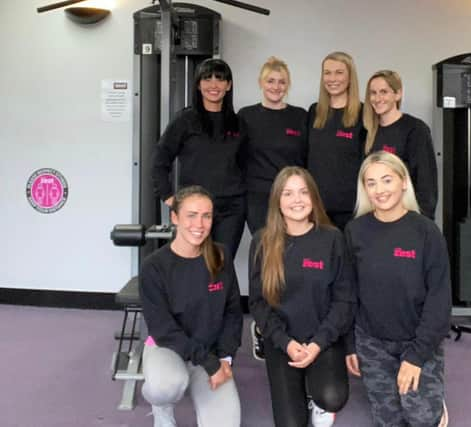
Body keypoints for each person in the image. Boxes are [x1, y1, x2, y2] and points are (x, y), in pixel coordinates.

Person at [344, 151, 451, 427]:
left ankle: (436, 403)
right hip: (373, 343)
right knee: (390, 421)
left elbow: (439, 302)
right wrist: (349, 346)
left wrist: (416, 357)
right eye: (371, 183)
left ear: (403, 182)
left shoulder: (426, 232)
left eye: (387, 180)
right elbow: (347, 295)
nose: (380, 190)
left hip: (416, 340)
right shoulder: (355, 232)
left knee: (421, 419)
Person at [249, 166, 354, 427]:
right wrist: (285, 342)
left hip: (323, 337)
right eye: (288, 193)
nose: (297, 200)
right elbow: (258, 302)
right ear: (277, 201)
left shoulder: (332, 238)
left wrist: (318, 343)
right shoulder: (262, 241)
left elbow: (344, 300)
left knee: (331, 396)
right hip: (282, 339)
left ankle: (318, 400)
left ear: (314, 197)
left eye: (303, 192)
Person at [140, 185, 243, 427]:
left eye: (206, 216)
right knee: (165, 387)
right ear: (175, 217)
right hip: (168, 347)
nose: (200, 224)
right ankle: (162, 409)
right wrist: (210, 363)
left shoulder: (221, 256)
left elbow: (232, 312)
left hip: (210, 352)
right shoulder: (154, 266)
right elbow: (163, 328)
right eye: (191, 215)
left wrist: (225, 358)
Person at [152, 58, 246, 258]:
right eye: (207, 79)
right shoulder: (185, 120)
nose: (214, 85)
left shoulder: (238, 123)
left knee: (221, 263)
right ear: (198, 84)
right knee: (193, 263)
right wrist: (167, 196)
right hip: (195, 208)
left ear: (228, 85)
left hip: (231, 209)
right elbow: (160, 160)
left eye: (220, 79)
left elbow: (246, 164)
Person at [238, 56, 308, 235]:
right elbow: (236, 157)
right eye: (270, 81)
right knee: (265, 250)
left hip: (292, 196)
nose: (276, 87)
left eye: (282, 82)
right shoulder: (246, 116)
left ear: (288, 85)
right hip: (258, 198)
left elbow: (308, 159)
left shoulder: (300, 116)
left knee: (292, 250)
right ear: (261, 83)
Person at [363, 70, 438, 219]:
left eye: (384, 92)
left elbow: (426, 183)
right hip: (375, 216)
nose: (377, 98)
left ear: (397, 94)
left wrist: (423, 222)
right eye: (373, 93)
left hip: (405, 216)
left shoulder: (415, 129)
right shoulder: (367, 129)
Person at [307, 51, 366, 230]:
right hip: (317, 208)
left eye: (339, 72)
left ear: (350, 77)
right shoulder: (314, 112)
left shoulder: (364, 114)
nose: (332, 78)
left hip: (351, 209)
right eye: (327, 72)